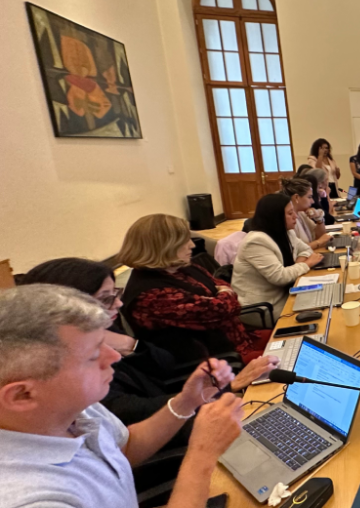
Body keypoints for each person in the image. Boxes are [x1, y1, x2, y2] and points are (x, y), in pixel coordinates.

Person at [0, 284, 248, 508]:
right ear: (22, 395)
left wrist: (186, 402)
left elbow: (124, 447)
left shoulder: (70, 408)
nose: (115, 356)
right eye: (93, 355)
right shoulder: (32, 498)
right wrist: (203, 452)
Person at [20, 258, 278, 434]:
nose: (119, 304)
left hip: (176, 409)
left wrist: (128, 343)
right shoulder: (57, 365)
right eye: (106, 299)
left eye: (115, 294)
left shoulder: (106, 329)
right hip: (165, 432)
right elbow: (125, 411)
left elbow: (164, 365)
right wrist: (219, 392)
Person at [118, 214, 272, 365]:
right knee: (282, 358)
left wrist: (222, 295)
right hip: (218, 362)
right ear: (163, 246)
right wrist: (223, 294)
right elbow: (222, 309)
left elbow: (226, 290)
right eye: (184, 241)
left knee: (284, 338)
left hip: (241, 339)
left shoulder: (181, 267)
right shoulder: (149, 295)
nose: (192, 245)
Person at [232, 193, 323, 315]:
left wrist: (298, 262)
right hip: (265, 307)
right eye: (290, 213)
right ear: (275, 217)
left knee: (324, 298)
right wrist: (307, 264)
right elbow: (280, 277)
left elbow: (306, 249)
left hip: (285, 293)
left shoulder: (286, 232)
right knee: (322, 309)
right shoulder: (256, 241)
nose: (295, 216)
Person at [279, 177, 330, 250]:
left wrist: (319, 219)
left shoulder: (301, 214)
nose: (312, 201)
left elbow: (320, 236)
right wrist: (319, 242)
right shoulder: (288, 219)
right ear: (296, 197)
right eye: (309, 197)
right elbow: (295, 250)